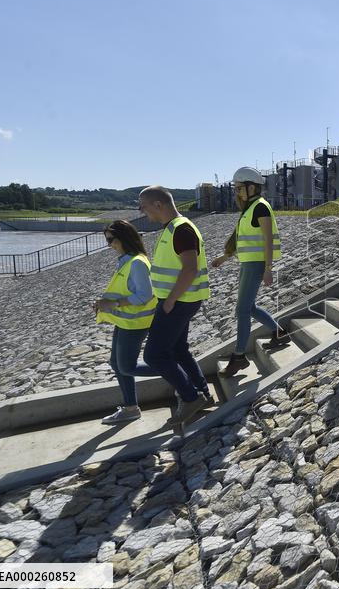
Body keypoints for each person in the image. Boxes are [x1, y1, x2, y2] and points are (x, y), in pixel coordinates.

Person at [138, 186, 212, 430]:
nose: (143, 211)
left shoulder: (181, 229)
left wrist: (169, 301)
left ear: (158, 205)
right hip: (180, 300)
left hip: (178, 301)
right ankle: (202, 391)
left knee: (154, 355)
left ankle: (191, 398)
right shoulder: (174, 228)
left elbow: (189, 269)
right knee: (179, 350)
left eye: (144, 206)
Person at [211, 167, 289, 378]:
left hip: (256, 264)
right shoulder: (250, 208)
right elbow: (241, 239)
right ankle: (278, 332)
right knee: (249, 307)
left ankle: (239, 356)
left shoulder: (260, 207)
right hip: (247, 263)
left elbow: (268, 239)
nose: (237, 192)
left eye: (239, 188)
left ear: (251, 187)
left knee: (242, 310)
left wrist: (268, 269)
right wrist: (224, 258)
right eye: (236, 188)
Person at [95, 220, 157, 424]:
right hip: (126, 322)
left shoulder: (137, 262)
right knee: (116, 363)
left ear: (124, 238)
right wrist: (105, 305)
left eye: (111, 239)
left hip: (136, 323)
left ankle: (177, 371)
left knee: (127, 367)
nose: (108, 244)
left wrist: (112, 304)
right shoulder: (127, 260)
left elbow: (145, 295)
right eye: (107, 240)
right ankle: (131, 407)